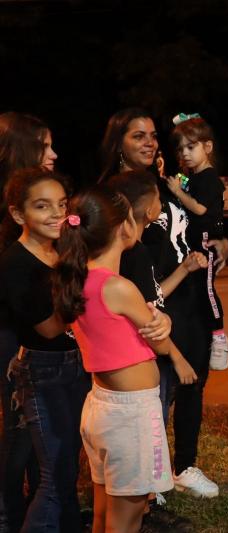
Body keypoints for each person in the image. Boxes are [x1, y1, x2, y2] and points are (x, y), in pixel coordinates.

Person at [52, 185, 197, 533]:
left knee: (103, 515)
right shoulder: (117, 287)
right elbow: (160, 342)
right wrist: (165, 321)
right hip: (130, 416)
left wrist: (158, 323)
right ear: (123, 228)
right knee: (126, 521)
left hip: (100, 409)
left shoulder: (78, 280)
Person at [99, 108, 228, 498]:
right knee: (154, 395)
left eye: (153, 135)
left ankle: (185, 465)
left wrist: (221, 241)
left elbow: (199, 225)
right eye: (138, 135)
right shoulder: (112, 193)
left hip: (190, 300)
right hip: (148, 304)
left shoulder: (168, 185)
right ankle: (147, 481)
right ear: (118, 142)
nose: (150, 142)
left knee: (193, 383)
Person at [0, 168, 89, 532]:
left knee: (67, 462)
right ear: (18, 214)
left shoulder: (62, 251)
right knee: (52, 471)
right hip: (42, 372)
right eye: (42, 206)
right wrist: (86, 292)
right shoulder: (15, 264)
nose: (55, 214)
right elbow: (51, 328)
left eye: (61, 205)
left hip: (73, 366)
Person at [0, 111, 55, 532]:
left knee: (40, 430)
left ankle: (44, 507)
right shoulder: (10, 211)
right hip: (11, 337)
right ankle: (10, 515)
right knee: (22, 428)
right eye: (44, 146)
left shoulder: (40, 199)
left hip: (35, 333)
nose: (53, 154)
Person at [169, 114, 228, 371]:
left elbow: (201, 209)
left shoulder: (208, 178)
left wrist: (178, 192)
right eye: (181, 149)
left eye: (191, 147)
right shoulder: (193, 176)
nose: (185, 154)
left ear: (207, 147)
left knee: (207, 290)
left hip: (205, 241)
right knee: (197, 290)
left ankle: (220, 337)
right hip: (194, 242)